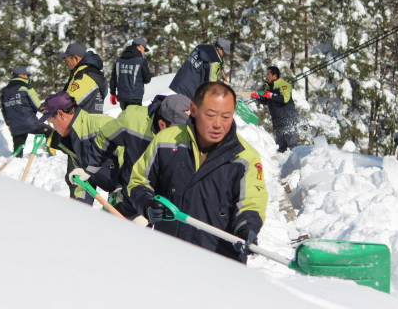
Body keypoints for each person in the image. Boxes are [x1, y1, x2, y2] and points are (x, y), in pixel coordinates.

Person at [128, 82, 268, 263]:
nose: (218, 124)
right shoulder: (166, 141)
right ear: (193, 110)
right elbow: (139, 181)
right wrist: (147, 203)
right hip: (167, 254)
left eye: (226, 116)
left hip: (219, 261)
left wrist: (247, 228)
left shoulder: (245, 158)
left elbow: (252, 203)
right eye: (210, 115)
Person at [95, 94, 192, 218]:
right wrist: (88, 167)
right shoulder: (133, 121)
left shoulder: (195, 133)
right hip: (134, 200)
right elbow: (105, 138)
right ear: (162, 125)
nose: (181, 135)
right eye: (176, 130)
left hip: (171, 209)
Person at [39, 92, 117, 205]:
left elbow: (136, 157)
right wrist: (81, 206)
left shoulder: (100, 124)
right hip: (119, 195)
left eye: (52, 122)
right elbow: (84, 180)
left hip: (138, 194)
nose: (54, 128)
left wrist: (126, 189)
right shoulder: (71, 140)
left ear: (60, 114)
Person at [0, 66, 52, 158]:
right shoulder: (26, 87)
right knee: (51, 132)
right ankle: (51, 154)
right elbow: (37, 105)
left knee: (18, 149)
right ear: (22, 75)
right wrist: (45, 110)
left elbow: (4, 109)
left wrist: (9, 123)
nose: (28, 77)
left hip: (14, 125)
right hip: (30, 123)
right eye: (27, 75)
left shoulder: (5, 91)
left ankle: (16, 163)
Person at [251, 66, 298, 153]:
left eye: (268, 74)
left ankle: (298, 164)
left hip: (287, 120)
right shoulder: (269, 87)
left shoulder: (284, 85)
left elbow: (285, 98)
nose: (266, 76)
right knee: (280, 148)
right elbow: (266, 101)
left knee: (293, 146)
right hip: (277, 121)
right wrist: (257, 97)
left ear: (275, 76)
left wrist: (271, 95)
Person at [56, 42, 108, 114]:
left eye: (68, 62)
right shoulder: (93, 74)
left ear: (76, 58)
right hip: (92, 119)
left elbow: (69, 100)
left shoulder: (84, 76)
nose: (68, 65)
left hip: (84, 122)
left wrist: (50, 105)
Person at [109, 37, 152, 110]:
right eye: (144, 50)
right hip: (135, 97)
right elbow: (147, 79)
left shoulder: (119, 60)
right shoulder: (141, 61)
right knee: (134, 119)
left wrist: (113, 93)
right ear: (140, 47)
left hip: (122, 97)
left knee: (125, 118)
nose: (144, 53)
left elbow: (113, 78)